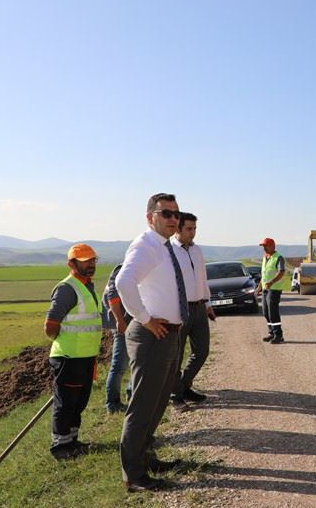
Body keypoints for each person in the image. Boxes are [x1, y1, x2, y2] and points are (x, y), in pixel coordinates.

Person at [115, 193, 187, 493]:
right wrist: (145, 319)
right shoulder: (146, 245)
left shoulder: (164, 246)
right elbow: (123, 282)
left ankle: (146, 458)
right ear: (150, 217)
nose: (173, 219)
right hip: (152, 335)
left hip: (166, 334)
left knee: (157, 403)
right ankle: (133, 475)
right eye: (166, 213)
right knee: (143, 406)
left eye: (176, 214)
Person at [43, 243, 102, 460]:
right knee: (66, 403)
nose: (91, 265)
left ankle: (72, 442)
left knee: (78, 403)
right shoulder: (67, 288)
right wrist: (62, 342)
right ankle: (60, 448)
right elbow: (50, 325)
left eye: (93, 260)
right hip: (69, 357)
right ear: (72, 264)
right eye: (85, 261)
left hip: (85, 356)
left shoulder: (87, 286)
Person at [170, 212, 216, 411]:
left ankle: (182, 386)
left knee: (202, 351)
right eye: (189, 229)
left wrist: (208, 304)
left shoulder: (197, 250)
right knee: (176, 355)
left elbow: (203, 279)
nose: (193, 233)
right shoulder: (169, 251)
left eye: (195, 228)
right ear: (178, 229)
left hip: (199, 307)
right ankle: (176, 395)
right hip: (178, 309)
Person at [103, 263, 132, 413]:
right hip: (122, 324)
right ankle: (112, 404)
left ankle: (132, 393)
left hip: (132, 322)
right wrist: (120, 321)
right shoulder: (122, 270)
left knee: (137, 361)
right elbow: (112, 296)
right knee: (119, 365)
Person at [258, 237, 291, 344]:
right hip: (265, 289)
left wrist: (272, 282)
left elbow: (281, 272)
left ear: (272, 246)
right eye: (263, 246)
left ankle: (278, 335)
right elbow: (264, 275)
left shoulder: (278, 257)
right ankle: (271, 333)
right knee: (266, 312)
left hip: (274, 289)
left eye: (266, 246)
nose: (264, 248)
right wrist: (259, 287)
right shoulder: (265, 258)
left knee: (273, 312)